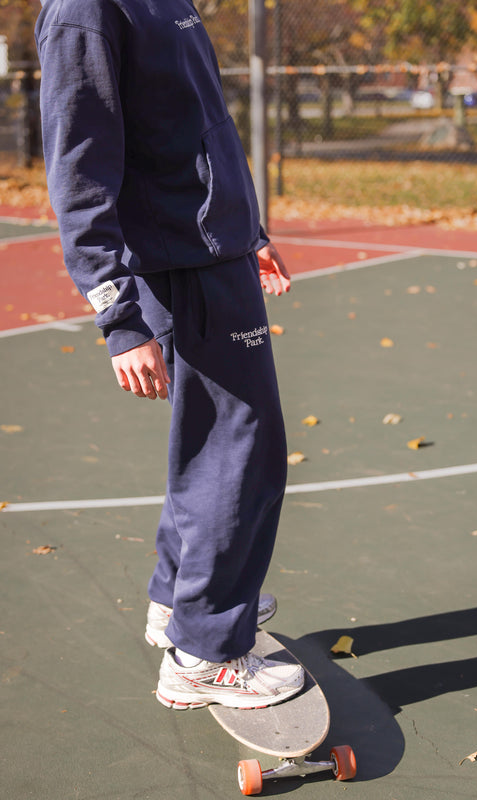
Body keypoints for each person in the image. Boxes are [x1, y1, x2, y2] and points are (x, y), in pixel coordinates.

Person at [35, 0, 304, 710]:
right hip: (179, 267)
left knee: (214, 447)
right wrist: (118, 315)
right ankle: (204, 653)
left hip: (217, 255)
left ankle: (176, 604)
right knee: (239, 452)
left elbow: (200, 127)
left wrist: (251, 228)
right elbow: (78, 165)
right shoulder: (83, 12)